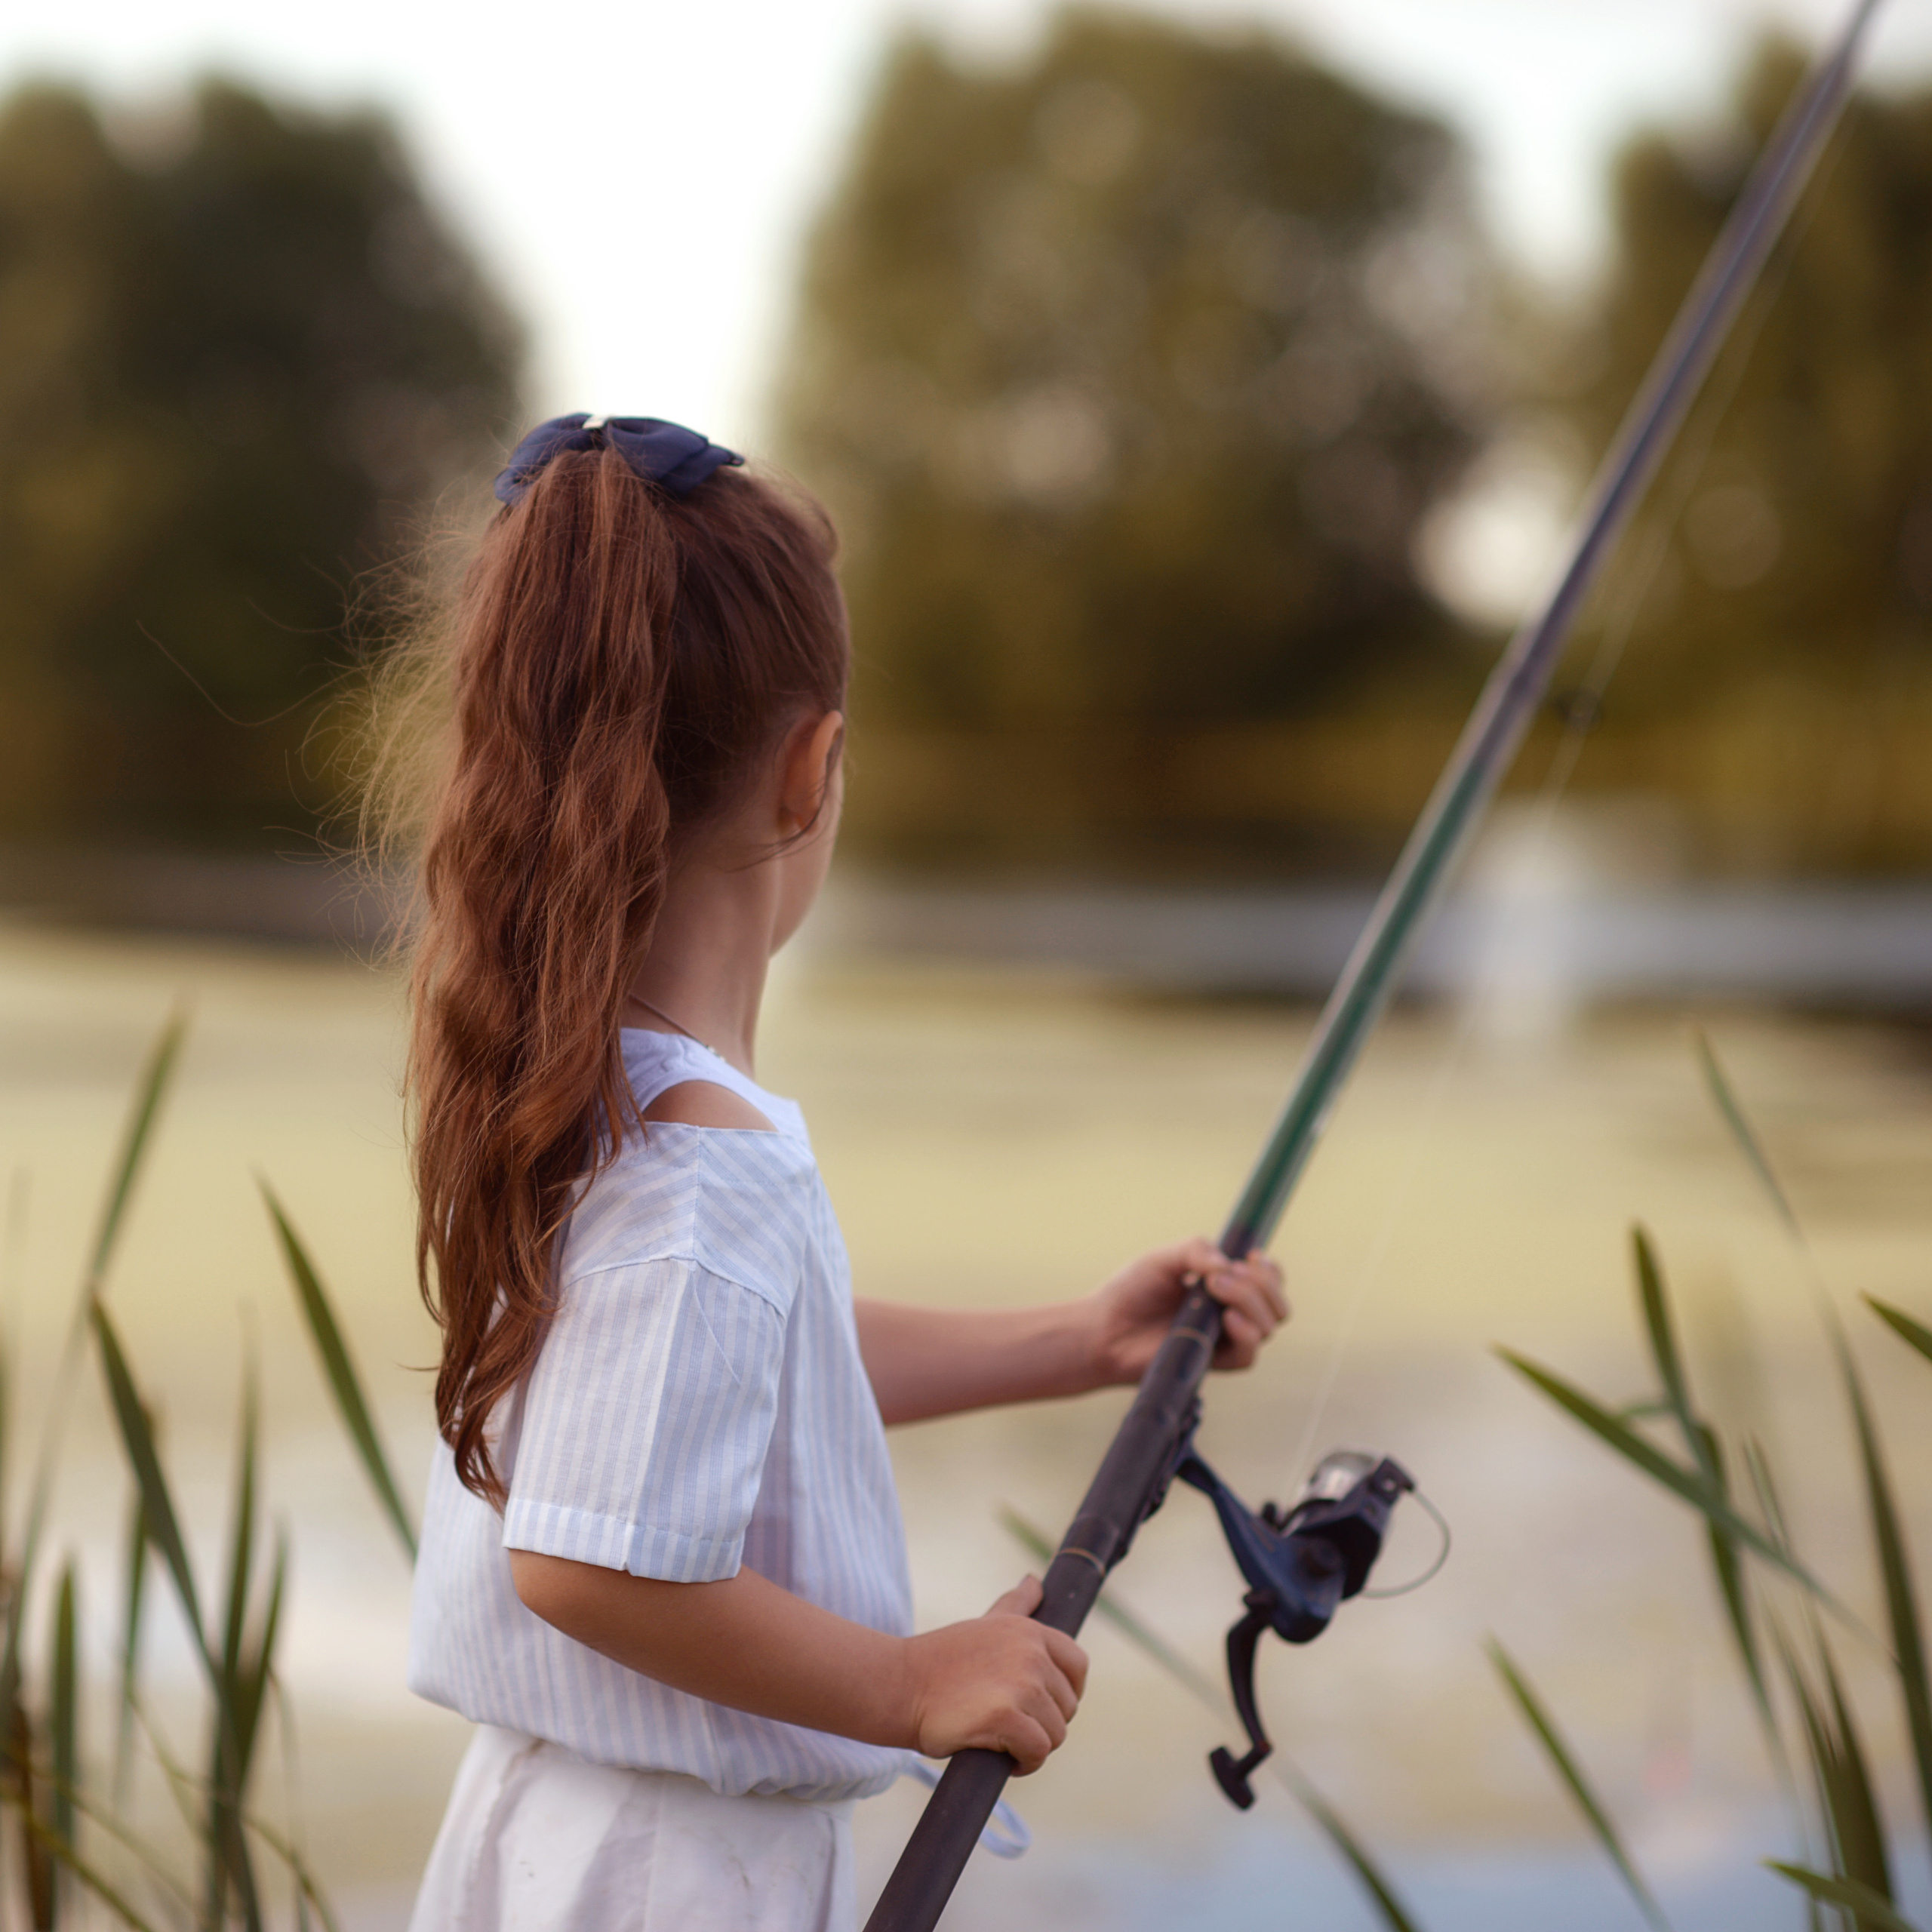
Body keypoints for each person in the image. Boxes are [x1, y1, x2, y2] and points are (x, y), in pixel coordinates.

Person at [395, 415, 1289, 1931]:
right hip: (672, 1882)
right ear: (809, 771)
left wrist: (1076, 1340)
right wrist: (902, 1679)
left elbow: (747, 1372)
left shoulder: (592, 1092)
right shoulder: (705, 1170)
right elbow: (579, 1559)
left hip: (560, 1837)